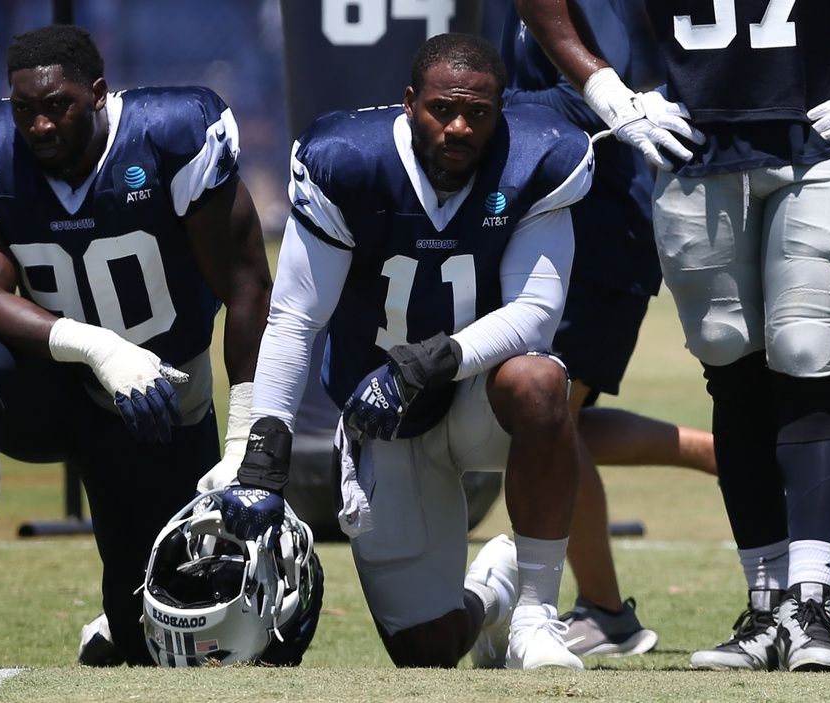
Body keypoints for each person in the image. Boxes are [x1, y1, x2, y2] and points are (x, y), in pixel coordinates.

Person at [0, 24, 272, 668]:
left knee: (158, 636)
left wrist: (243, 443)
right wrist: (98, 349)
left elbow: (248, 284)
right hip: (53, 386)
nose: (38, 125)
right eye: (25, 108)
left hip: (159, 403)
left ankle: (121, 612)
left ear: (96, 94)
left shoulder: (171, 134)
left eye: (57, 105)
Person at [217, 32, 593, 670]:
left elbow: (534, 316)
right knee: (427, 651)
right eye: (441, 109)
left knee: (537, 382)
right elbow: (295, 316)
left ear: (501, 110)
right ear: (408, 102)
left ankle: (536, 615)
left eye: (478, 113)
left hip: (479, 399)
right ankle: (494, 592)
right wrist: (260, 452)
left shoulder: (537, 158)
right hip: (381, 420)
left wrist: (426, 363)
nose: (458, 127)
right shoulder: (347, 161)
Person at [516, 0, 830, 672]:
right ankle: (765, 605)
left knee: (808, 350)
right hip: (696, 141)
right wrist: (605, 88)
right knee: (731, 361)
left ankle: (811, 603)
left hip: (821, 134)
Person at [500, 0, 715, 658]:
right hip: (553, 214)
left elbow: (606, 86)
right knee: (541, 415)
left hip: (600, 228)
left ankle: (604, 609)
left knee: (549, 417)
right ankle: (718, 451)